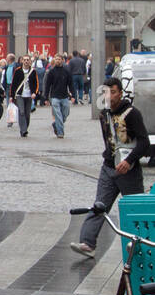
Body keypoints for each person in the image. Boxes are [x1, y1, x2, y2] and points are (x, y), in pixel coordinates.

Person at [72, 77, 150, 257]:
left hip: (128, 170)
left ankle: (143, 243)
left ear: (120, 93)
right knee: (100, 205)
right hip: (109, 166)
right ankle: (87, 242)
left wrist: (129, 160)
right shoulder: (104, 114)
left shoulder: (132, 114)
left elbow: (144, 142)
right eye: (106, 92)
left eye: (113, 92)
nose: (109, 96)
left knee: (134, 208)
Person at [45, 54, 72, 138]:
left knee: (66, 113)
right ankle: (60, 132)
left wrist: (73, 95)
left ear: (62, 60)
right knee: (58, 114)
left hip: (64, 96)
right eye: (56, 59)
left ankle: (55, 124)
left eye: (59, 59)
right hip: (55, 97)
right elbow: (47, 85)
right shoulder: (51, 72)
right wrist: (46, 98)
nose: (57, 61)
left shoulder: (66, 71)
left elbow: (70, 84)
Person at [11, 55, 39, 137]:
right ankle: (23, 130)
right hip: (19, 95)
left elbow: (36, 83)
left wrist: (34, 93)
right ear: (22, 61)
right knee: (22, 112)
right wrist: (12, 96)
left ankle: (25, 127)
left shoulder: (33, 71)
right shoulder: (18, 71)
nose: (26, 61)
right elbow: (14, 84)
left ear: (30, 61)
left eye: (28, 60)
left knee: (27, 114)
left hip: (29, 95)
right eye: (24, 60)